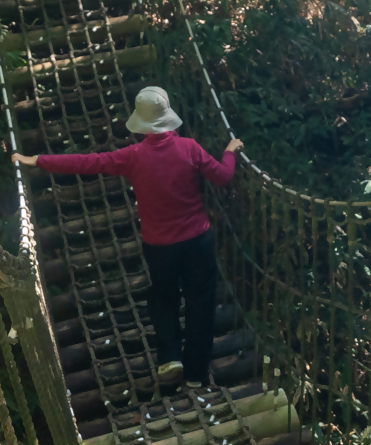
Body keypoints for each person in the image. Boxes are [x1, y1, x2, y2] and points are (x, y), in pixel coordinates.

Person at [16, 86, 243, 388]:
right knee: (201, 302)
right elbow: (224, 176)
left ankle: (170, 356)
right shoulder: (190, 148)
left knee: (163, 298)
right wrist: (229, 153)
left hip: (159, 247)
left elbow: (88, 162)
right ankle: (196, 375)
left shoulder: (132, 156)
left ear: (142, 122)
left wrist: (39, 160)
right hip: (196, 242)